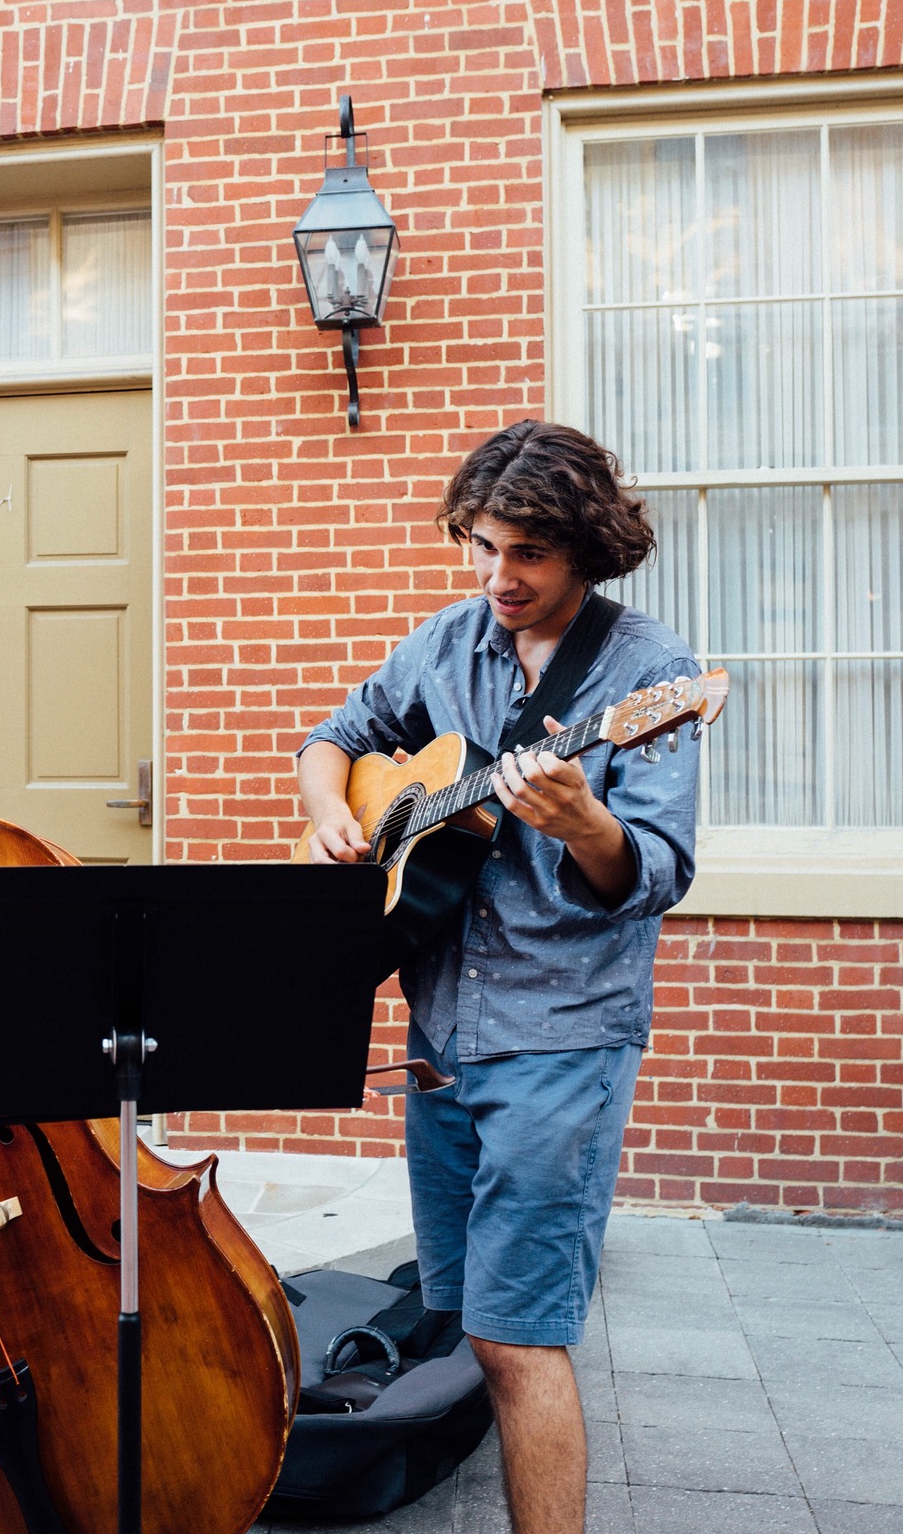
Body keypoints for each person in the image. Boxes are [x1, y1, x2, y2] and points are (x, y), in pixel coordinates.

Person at [297, 420, 700, 1534]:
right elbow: (334, 737)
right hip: (440, 1034)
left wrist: (584, 823)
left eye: (525, 552)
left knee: (521, 1335)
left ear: (585, 546)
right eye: (481, 545)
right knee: (472, 1316)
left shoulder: (649, 676)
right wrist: (337, 811)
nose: (497, 576)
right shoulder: (444, 641)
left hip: (561, 1035)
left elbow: (653, 869)